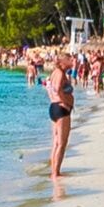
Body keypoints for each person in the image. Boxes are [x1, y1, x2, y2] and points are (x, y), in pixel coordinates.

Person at [38, 47, 78, 179]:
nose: (72, 60)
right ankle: (56, 173)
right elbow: (57, 89)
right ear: (62, 62)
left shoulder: (55, 73)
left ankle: (54, 171)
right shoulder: (60, 73)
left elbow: (49, 89)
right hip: (61, 109)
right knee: (61, 143)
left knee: (56, 143)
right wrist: (65, 102)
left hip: (54, 108)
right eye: (69, 59)